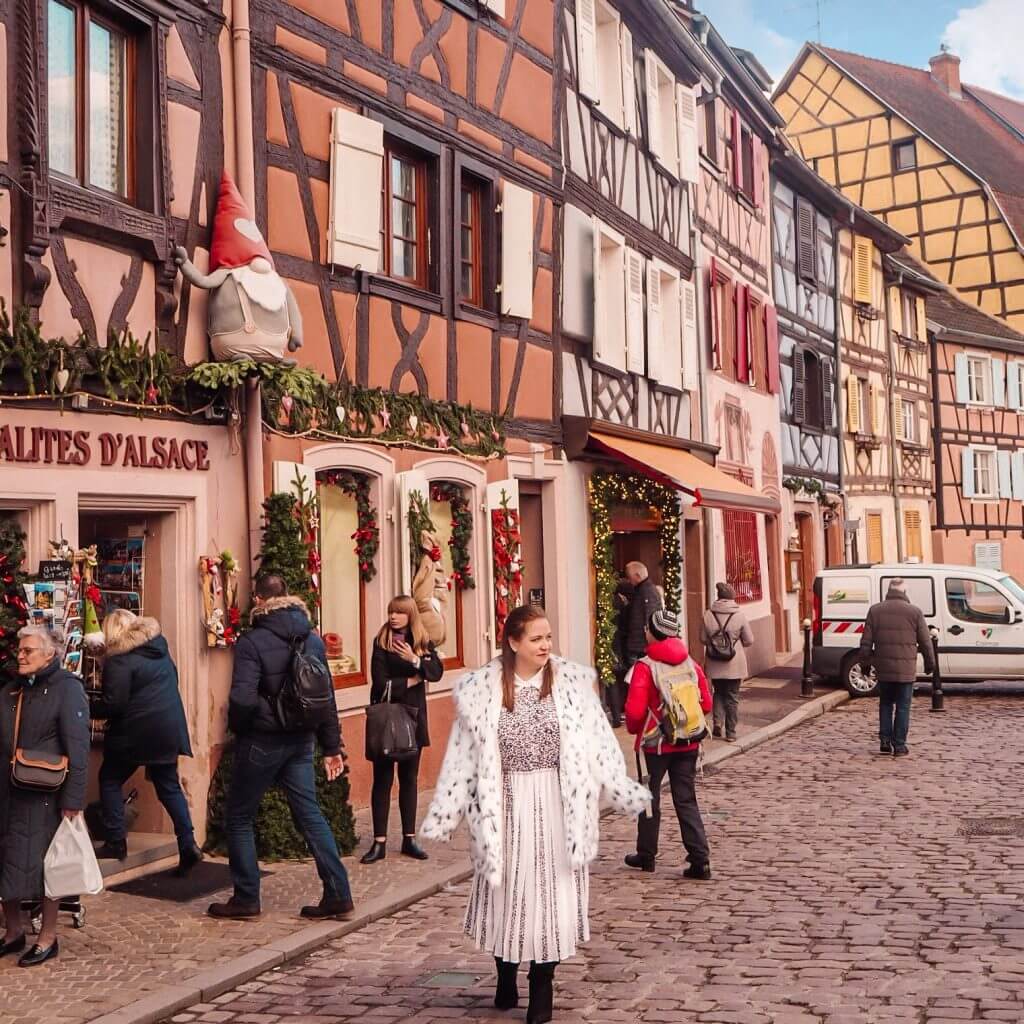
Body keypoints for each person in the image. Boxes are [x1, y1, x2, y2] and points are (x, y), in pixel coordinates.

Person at [421, 605, 649, 1024]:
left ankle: (542, 989)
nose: (545, 645)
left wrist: (623, 789)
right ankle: (505, 972)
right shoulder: (484, 688)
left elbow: (600, 742)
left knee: (551, 896)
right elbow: (462, 755)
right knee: (507, 892)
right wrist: (445, 813)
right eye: (536, 638)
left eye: (548, 637)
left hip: (558, 802)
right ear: (513, 642)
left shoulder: (571, 684)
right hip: (504, 803)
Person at [208, 574, 353, 920]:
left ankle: (246, 898)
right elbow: (326, 698)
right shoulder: (312, 638)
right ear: (288, 596)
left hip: (263, 740)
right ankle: (339, 893)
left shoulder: (252, 641)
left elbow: (242, 698)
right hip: (302, 740)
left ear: (258, 600)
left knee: (239, 816)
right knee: (310, 814)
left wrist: (250, 725)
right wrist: (332, 746)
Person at [0, 625, 90, 966]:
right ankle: (13, 933)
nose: (20, 655)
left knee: (48, 865)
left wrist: (74, 800)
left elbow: (79, 749)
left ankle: (48, 937)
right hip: (7, 791)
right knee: (5, 859)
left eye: (28, 651)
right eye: (19, 650)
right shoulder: (11, 690)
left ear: (49, 654)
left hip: (45, 794)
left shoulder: (67, 690)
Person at [92, 610, 202, 876]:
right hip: (167, 728)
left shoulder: (120, 660)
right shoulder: (159, 649)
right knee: (169, 786)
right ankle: (188, 844)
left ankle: (116, 842)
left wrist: (85, 705)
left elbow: (113, 704)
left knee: (109, 778)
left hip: (134, 730)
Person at [623, 609, 713, 878]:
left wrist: (635, 729)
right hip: (689, 741)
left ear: (652, 632)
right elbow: (706, 703)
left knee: (649, 797)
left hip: (656, 743)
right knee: (686, 800)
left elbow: (635, 713)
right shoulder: (690, 663)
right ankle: (700, 860)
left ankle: (646, 856)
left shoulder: (645, 666)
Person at [361, 595, 443, 865]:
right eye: (391, 612)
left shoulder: (421, 641)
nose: (393, 617)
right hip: (386, 719)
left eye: (399, 613)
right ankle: (379, 842)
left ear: (409, 615)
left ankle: (409, 839)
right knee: (382, 780)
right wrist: (412, 679)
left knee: (409, 779)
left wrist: (416, 661)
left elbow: (436, 671)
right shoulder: (381, 641)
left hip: (414, 717)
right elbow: (378, 683)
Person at [857, 578, 934, 756]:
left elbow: (866, 642)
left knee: (885, 704)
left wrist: (865, 665)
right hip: (905, 670)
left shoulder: (875, 611)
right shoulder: (914, 612)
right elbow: (925, 642)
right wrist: (930, 663)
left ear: (889, 591)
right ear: (904, 593)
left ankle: (885, 740)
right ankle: (899, 745)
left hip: (883, 668)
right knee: (903, 707)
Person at [700, 583, 754, 742]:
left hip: (714, 660)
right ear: (732, 597)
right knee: (732, 696)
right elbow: (749, 640)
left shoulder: (708, 614)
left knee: (718, 692)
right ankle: (731, 732)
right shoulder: (740, 615)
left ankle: (717, 723)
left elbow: (702, 639)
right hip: (734, 663)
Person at [622, 562, 663, 673]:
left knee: (638, 677)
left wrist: (648, 645)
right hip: (639, 645)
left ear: (637, 576)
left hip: (641, 647)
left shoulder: (648, 592)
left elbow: (650, 619)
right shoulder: (643, 589)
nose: (629, 581)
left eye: (630, 578)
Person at [608, 574, 634, 727]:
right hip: (624, 644)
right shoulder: (629, 602)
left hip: (614, 644)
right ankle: (624, 712)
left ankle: (617, 716)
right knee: (624, 679)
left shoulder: (613, 602)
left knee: (612, 680)